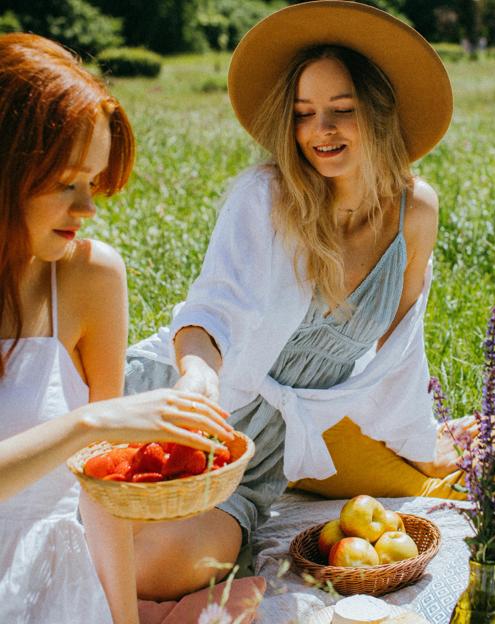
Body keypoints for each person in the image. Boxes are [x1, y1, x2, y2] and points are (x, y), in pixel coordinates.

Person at [122, 0, 461, 600]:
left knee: (164, 568)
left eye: (342, 110)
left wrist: (417, 438)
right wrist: (195, 378)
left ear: (378, 115)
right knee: (76, 520)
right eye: (304, 114)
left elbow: (399, 347)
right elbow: (211, 311)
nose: (320, 131)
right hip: (187, 409)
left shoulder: (416, 210)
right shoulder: (265, 198)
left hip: (257, 458)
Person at [0, 33, 233, 624]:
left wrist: (121, 619)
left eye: (94, 184)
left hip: (48, 591)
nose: (89, 210)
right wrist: (90, 423)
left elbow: (102, 492)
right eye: (65, 184)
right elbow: (95, 430)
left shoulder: (89, 275)